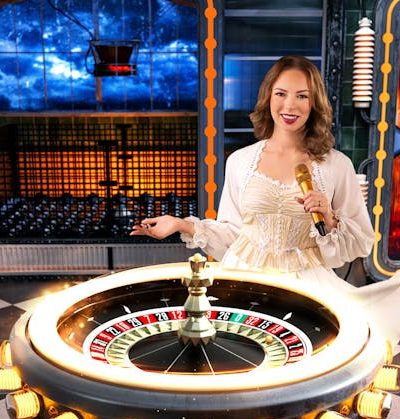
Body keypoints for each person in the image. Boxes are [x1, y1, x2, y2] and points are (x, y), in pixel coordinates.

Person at [131, 55, 400, 348]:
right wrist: (179, 224)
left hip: (307, 288)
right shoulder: (240, 161)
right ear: (268, 97)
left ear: (315, 103)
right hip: (242, 280)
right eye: (281, 94)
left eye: (302, 96)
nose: (290, 106)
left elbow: (361, 242)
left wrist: (329, 217)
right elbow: (233, 234)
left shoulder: (337, 165)